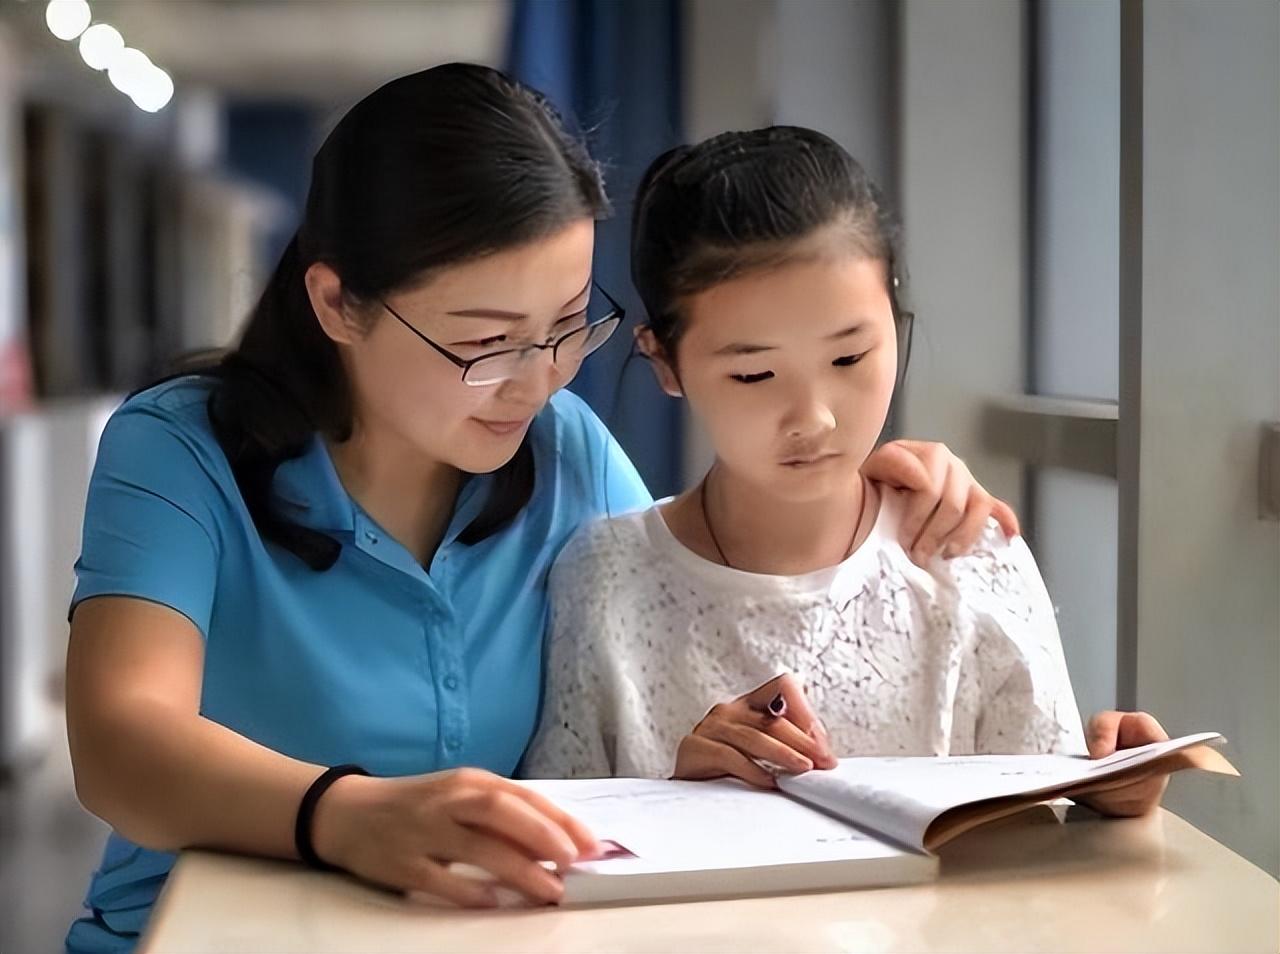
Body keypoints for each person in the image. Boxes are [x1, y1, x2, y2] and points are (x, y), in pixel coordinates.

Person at [63, 69, 1014, 951]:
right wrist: (345, 817)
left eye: (567, 329)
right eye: (486, 343)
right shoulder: (182, 447)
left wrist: (862, 485)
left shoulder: (566, 453)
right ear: (338, 302)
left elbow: (703, 592)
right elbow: (119, 744)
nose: (537, 382)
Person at [522, 126, 1171, 820]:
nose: (815, 418)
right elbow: (565, 859)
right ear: (664, 362)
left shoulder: (969, 557)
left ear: (895, 322)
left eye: (850, 359)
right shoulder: (604, 579)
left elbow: (1043, 842)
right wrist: (672, 804)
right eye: (754, 373)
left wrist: (1114, 799)